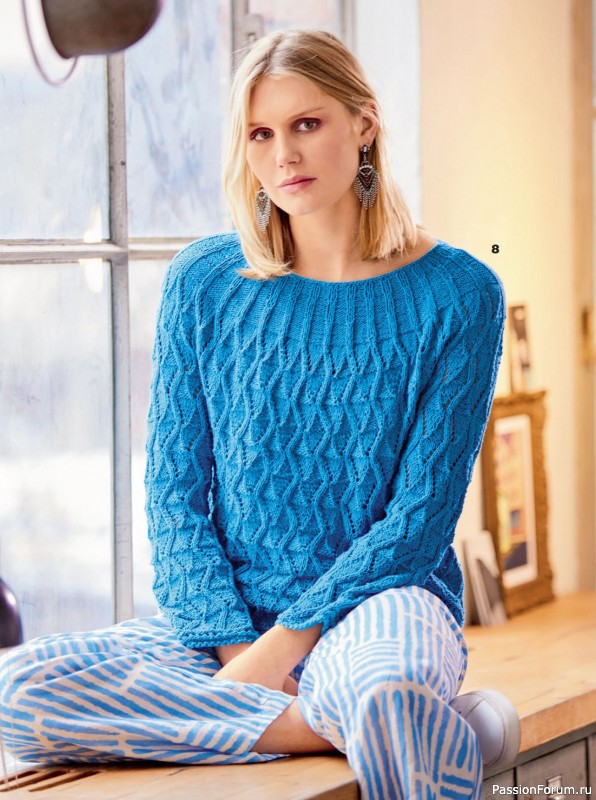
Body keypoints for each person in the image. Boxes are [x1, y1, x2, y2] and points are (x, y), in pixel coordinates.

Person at [0, 29, 519, 800]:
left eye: (306, 123)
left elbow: (417, 523)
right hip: (225, 624)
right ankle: (356, 725)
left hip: (384, 608)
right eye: (260, 134)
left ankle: (375, 715)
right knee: (20, 691)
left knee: (384, 690)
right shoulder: (205, 283)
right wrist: (237, 655)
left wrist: (278, 652)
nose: (284, 155)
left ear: (365, 123)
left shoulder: (459, 294)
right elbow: (174, 498)